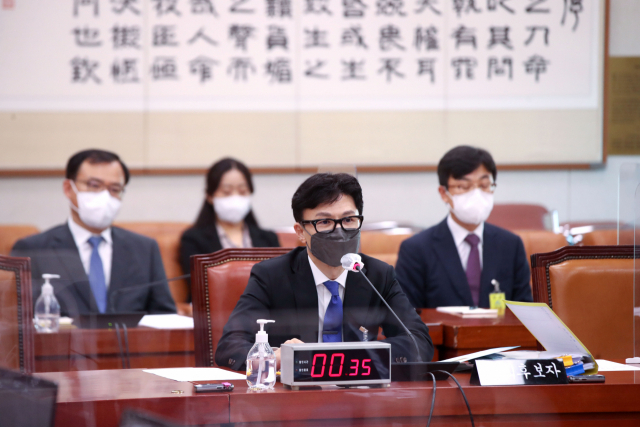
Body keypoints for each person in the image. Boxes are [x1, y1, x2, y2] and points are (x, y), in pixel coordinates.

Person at [215, 173, 433, 370]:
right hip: (295, 394)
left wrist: (355, 357)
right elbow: (230, 347)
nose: (339, 231)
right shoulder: (271, 276)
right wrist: (272, 357)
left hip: (359, 392)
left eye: (348, 220)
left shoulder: (377, 275)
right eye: (325, 222)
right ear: (300, 232)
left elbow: (419, 342)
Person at [11, 149, 176, 317]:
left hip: (128, 335)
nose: (105, 196)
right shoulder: (33, 249)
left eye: (115, 189)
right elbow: (16, 318)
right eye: (94, 185)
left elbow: (164, 316)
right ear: (68, 188)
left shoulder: (144, 249)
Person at [396, 146, 533, 309]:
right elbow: (405, 315)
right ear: (443, 193)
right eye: (463, 187)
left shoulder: (511, 245)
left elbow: (524, 311)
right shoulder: (416, 249)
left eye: (484, 185)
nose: (476, 194)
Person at [179, 158, 280, 300]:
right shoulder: (193, 239)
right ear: (210, 196)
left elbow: (280, 283)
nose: (235, 198)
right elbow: (198, 286)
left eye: (242, 191)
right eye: (226, 192)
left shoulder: (269, 238)